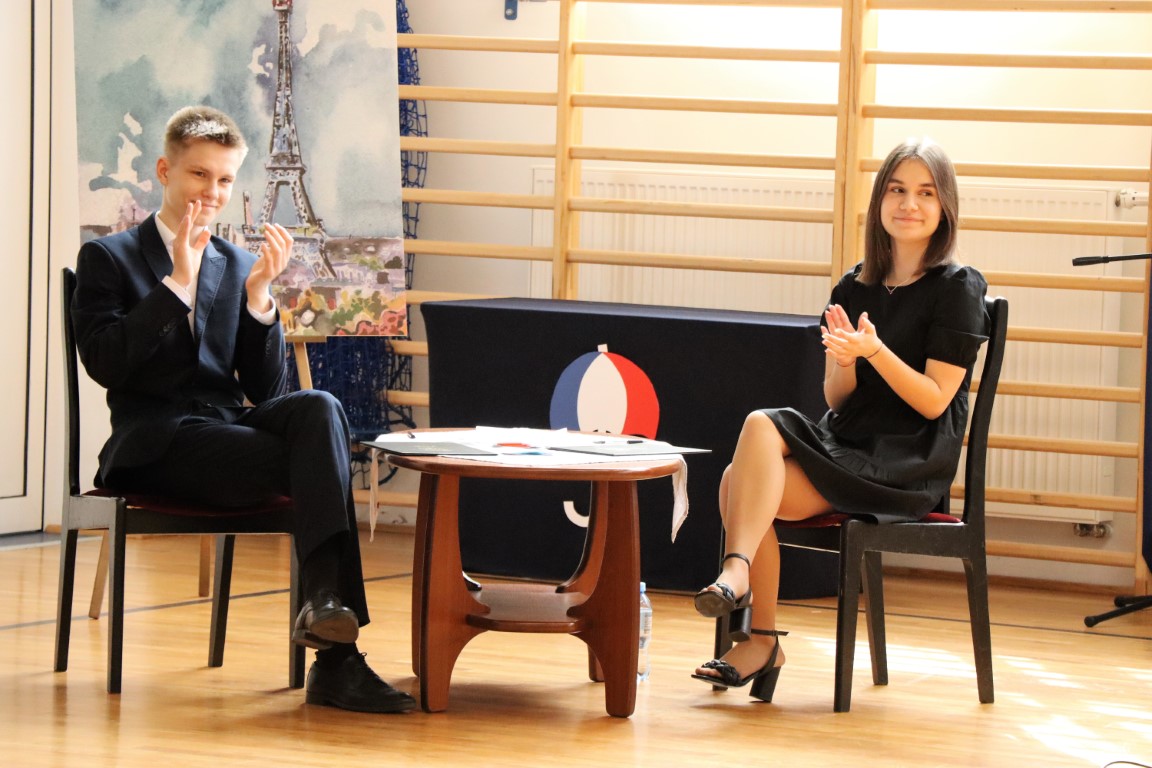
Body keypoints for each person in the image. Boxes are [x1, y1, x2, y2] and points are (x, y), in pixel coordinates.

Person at [71, 106, 415, 714]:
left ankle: (326, 610)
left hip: (227, 434)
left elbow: (269, 391)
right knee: (317, 458)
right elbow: (105, 363)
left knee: (319, 407)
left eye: (225, 179)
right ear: (165, 171)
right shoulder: (109, 257)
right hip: (156, 443)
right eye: (199, 175)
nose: (212, 192)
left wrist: (260, 300)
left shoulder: (234, 264)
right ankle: (338, 660)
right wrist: (175, 287)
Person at [691, 138, 989, 702]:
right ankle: (758, 627)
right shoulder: (855, 285)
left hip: (907, 458)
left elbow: (933, 401)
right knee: (745, 463)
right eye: (897, 190)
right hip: (850, 442)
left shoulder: (958, 287)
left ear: (945, 206)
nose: (909, 204)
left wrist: (876, 351)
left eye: (926, 193)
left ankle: (743, 593)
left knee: (742, 474)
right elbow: (837, 400)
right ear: (879, 202)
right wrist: (848, 361)